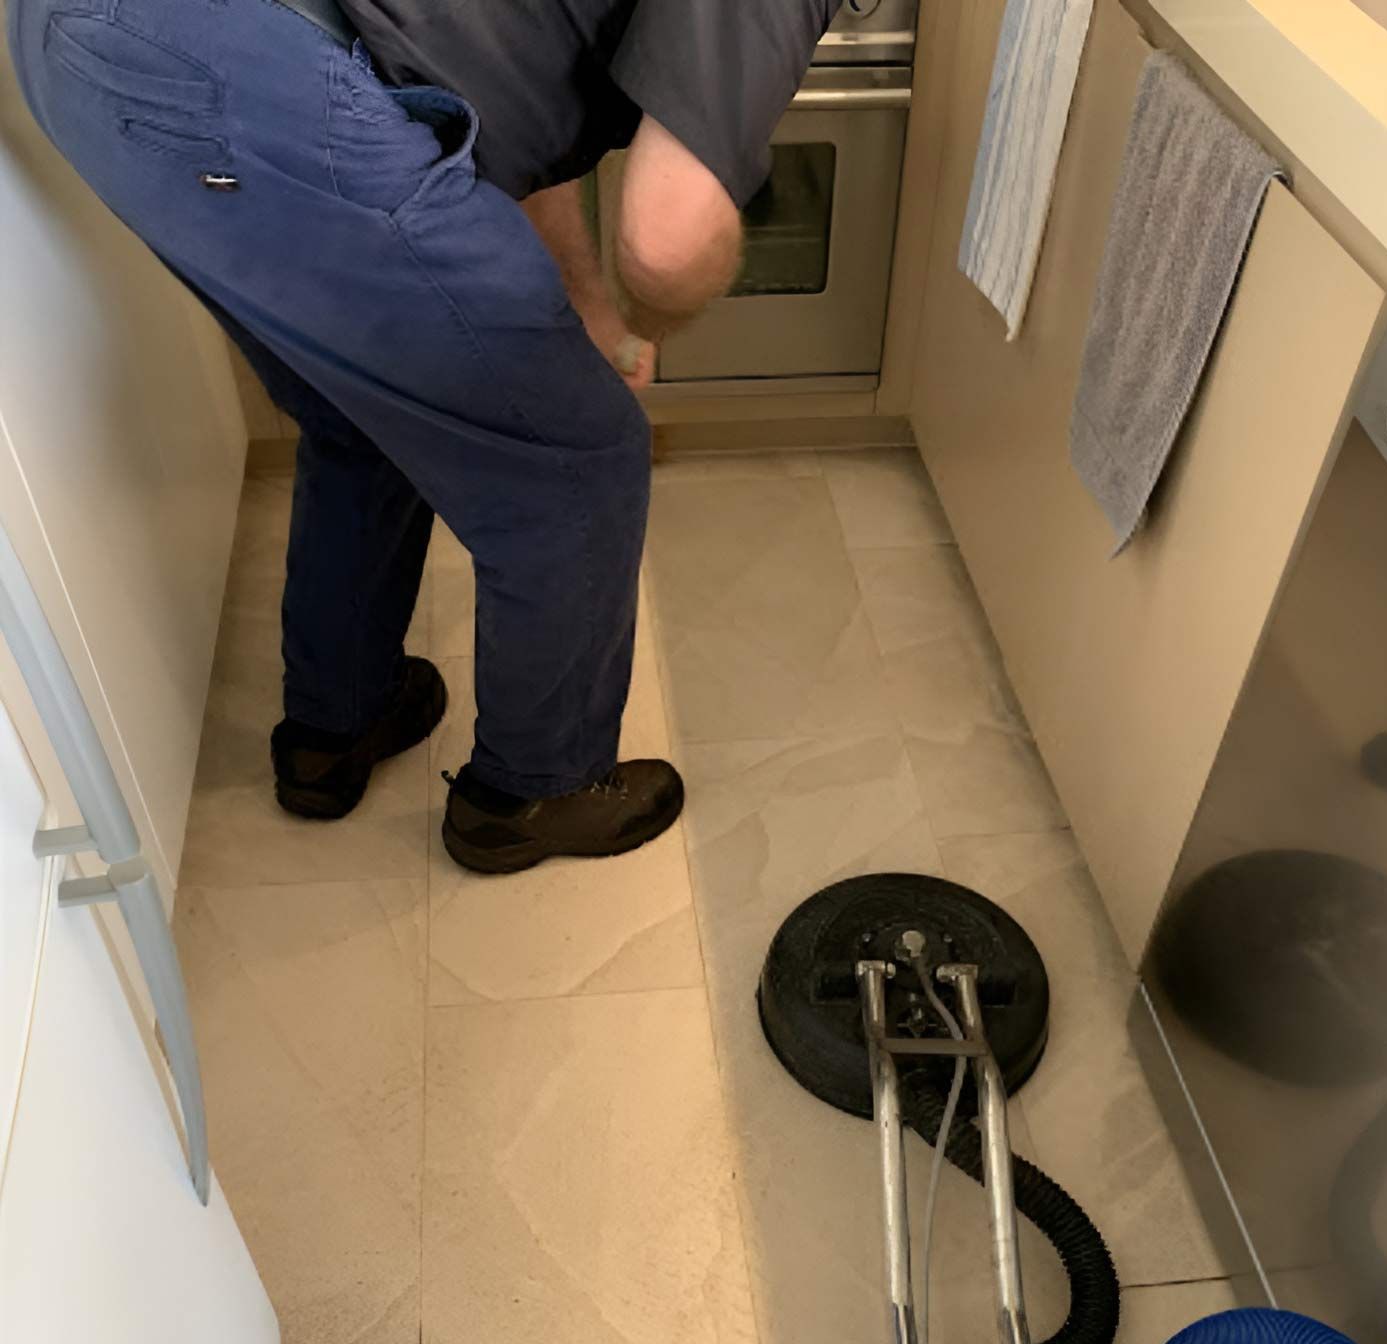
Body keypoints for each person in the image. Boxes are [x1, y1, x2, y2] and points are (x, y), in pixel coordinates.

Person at [7, 0, 836, 873]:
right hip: (242, 66)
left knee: (362, 407)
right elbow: (667, 239)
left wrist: (589, 306)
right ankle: (532, 795)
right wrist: (650, 327)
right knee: (575, 465)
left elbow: (511, 108)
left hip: (91, 50)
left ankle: (337, 726)